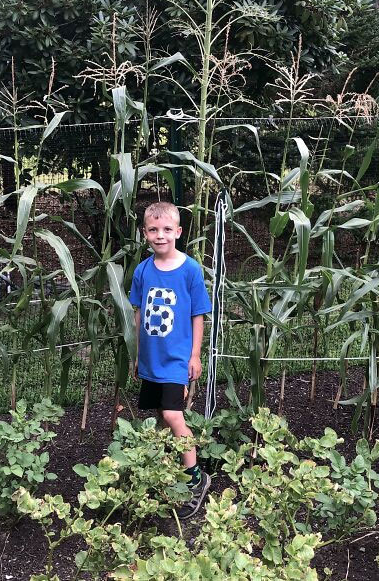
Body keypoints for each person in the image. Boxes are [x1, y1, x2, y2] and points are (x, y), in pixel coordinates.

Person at [129, 200, 212, 519]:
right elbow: (139, 315)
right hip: (152, 360)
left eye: (166, 229)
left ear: (178, 232)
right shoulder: (142, 270)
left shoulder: (189, 269)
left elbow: (198, 315)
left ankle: (195, 478)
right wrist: (138, 356)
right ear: (145, 233)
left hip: (178, 360)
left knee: (173, 414)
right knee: (161, 418)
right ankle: (164, 471)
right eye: (153, 229)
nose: (159, 235)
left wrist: (195, 355)